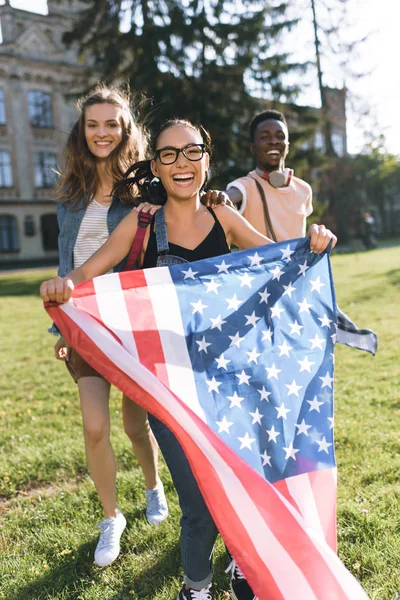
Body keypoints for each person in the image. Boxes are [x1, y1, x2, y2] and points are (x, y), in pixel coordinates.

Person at [40, 119, 336, 599]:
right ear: (156, 164)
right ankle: (195, 588)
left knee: (243, 483)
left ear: (207, 159)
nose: (182, 163)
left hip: (231, 383)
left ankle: (244, 563)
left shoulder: (224, 219)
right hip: (170, 391)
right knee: (199, 506)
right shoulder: (138, 224)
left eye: (192, 151)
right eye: (169, 154)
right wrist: (61, 287)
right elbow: (85, 277)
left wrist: (315, 242)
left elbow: (282, 258)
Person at [51, 83, 169, 569]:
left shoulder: (143, 193)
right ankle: (111, 517)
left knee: (133, 422)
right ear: (83, 131)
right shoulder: (70, 195)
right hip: (83, 324)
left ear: (125, 131)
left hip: (130, 323)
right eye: (93, 125)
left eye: (111, 125)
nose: (102, 133)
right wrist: (61, 329)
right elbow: (66, 264)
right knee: (95, 426)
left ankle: (153, 485)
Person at [226, 109, 313, 242]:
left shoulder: (304, 189)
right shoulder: (244, 186)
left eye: (280, 136)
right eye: (264, 137)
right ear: (253, 148)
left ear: (287, 146)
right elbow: (228, 197)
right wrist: (219, 197)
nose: (273, 141)